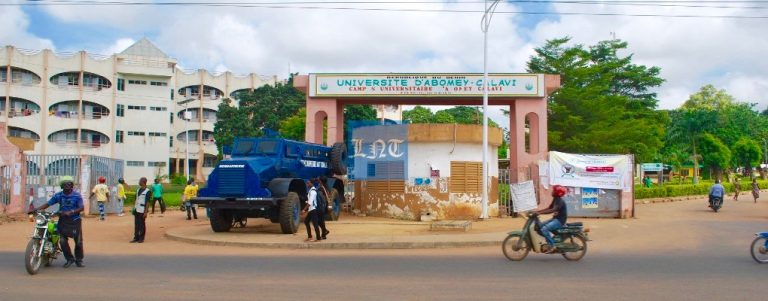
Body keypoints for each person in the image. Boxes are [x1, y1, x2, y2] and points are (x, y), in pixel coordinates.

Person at [29, 176, 85, 268]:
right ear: (61, 186)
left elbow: (82, 207)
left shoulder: (77, 196)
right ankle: (69, 259)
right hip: (63, 220)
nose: (67, 186)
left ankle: (79, 260)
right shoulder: (58, 195)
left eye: (69, 184)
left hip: (75, 221)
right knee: (62, 241)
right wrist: (36, 210)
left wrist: (71, 212)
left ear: (72, 186)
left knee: (78, 241)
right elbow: (48, 204)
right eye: (65, 184)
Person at [534, 185, 568, 254]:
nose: (552, 192)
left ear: (557, 192)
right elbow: (549, 208)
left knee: (544, 229)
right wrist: (538, 212)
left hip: (559, 221)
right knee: (539, 226)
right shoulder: (555, 199)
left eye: (553, 191)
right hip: (555, 219)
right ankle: (551, 240)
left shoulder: (559, 201)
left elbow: (552, 210)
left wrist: (539, 213)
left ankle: (552, 246)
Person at [131, 177, 152, 243]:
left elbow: (148, 202)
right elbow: (136, 199)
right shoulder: (138, 190)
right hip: (137, 209)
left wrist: (145, 212)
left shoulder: (148, 191)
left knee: (142, 224)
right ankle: (136, 237)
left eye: (140, 181)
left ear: (143, 182)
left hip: (142, 210)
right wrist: (134, 207)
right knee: (136, 224)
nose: (139, 182)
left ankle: (141, 238)